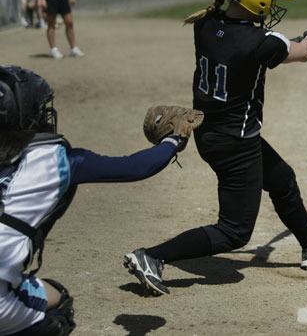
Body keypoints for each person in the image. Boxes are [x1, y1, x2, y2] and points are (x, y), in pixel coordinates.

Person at [124, 0, 307, 297]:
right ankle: (152, 256)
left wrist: (291, 41)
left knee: (282, 179)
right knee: (235, 232)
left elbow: (259, 45)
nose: (274, 4)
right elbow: (303, 51)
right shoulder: (261, 42)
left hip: (210, 133)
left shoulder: (206, 24)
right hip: (237, 143)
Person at [0, 65, 193, 335]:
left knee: (39, 288)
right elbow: (135, 167)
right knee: (58, 308)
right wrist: (173, 141)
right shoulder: (56, 161)